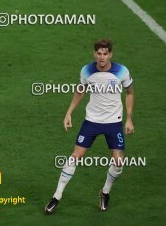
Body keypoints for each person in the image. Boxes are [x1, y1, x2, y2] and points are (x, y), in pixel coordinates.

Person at [45, 39, 134, 213]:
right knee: (75, 156)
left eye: (105, 54)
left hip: (114, 122)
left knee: (118, 161)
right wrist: (69, 112)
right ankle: (57, 196)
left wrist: (129, 118)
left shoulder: (122, 71)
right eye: (99, 54)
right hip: (92, 121)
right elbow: (80, 90)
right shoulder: (86, 70)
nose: (102, 57)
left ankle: (105, 192)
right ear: (94, 54)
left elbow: (130, 93)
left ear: (110, 54)